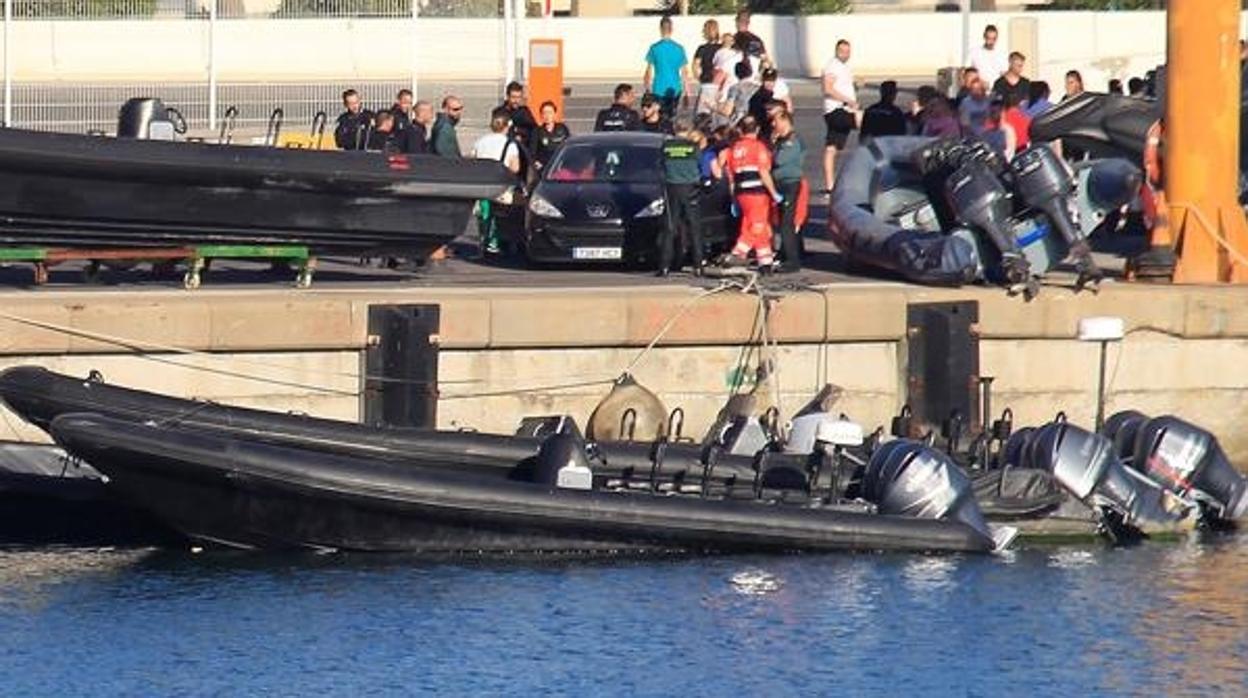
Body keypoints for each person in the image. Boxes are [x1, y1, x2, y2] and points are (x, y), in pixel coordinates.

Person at [719, 116, 782, 271]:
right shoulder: (759, 147)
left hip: (741, 193)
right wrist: (774, 193)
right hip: (757, 193)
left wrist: (734, 198)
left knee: (751, 224)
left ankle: (765, 262)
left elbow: (731, 176)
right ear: (758, 129)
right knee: (758, 225)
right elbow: (763, 172)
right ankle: (738, 253)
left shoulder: (733, 149)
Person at [657, 116, 705, 277]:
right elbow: (701, 166)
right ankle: (698, 266)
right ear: (689, 130)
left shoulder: (666, 146)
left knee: (670, 227)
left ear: (675, 129)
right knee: (694, 227)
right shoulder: (693, 147)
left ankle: (664, 266)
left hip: (671, 188)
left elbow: (661, 166)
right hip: (691, 188)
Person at [471, 107, 523, 255]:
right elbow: (515, 167)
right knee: (505, 213)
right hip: (502, 186)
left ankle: (483, 242)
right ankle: (499, 242)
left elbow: (473, 161)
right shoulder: (510, 144)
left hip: (482, 186)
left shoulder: (480, 142)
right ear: (508, 125)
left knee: (484, 215)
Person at [821, 39, 858, 192]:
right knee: (869, 121)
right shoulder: (832, 66)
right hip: (837, 110)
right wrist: (849, 101)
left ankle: (830, 185)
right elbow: (828, 89)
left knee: (832, 148)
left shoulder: (845, 67)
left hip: (843, 109)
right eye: (842, 51)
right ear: (836, 51)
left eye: (848, 51)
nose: (845, 54)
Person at [770, 110, 805, 272]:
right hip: (780, 184)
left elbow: (780, 160)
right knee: (781, 221)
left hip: (790, 184)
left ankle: (793, 261)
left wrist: (774, 147)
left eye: (775, 121)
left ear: (785, 121)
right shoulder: (781, 140)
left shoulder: (792, 140)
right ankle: (784, 254)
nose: (773, 124)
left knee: (786, 224)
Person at [644, 16, 690, 118]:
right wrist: (687, 93)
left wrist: (647, 89)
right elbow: (684, 73)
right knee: (671, 117)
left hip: (658, 88)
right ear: (671, 29)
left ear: (660, 29)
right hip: (674, 88)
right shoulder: (679, 48)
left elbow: (648, 71)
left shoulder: (654, 48)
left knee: (658, 117)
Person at [531, 101, 570, 173]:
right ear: (541, 115)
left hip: (561, 166)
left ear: (555, 114)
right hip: (544, 168)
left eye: (550, 112)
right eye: (544, 113)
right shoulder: (537, 131)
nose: (547, 116)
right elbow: (532, 152)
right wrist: (536, 162)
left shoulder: (563, 129)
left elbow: (569, 146)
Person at [692, 19, 722, 116]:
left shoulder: (702, 48)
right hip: (720, 84)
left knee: (703, 114)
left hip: (707, 83)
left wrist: (699, 78)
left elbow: (695, 66)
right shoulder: (722, 48)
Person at [500, 81, 538, 147]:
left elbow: (534, 130)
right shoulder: (499, 112)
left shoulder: (525, 112)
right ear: (507, 96)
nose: (516, 101)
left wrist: (521, 134)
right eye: (513, 97)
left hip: (523, 149)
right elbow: (498, 131)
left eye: (519, 97)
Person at [732, 10, 769, 78]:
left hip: (739, 75)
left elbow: (764, 60)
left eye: (740, 21)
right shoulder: (756, 39)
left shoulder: (733, 39)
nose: (739, 23)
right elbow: (764, 60)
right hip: (750, 75)